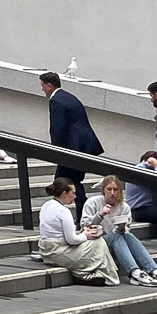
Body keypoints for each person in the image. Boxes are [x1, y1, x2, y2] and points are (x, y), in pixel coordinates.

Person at [84, 173, 157, 285]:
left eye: (115, 190)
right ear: (103, 190)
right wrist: (100, 215)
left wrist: (122, 228)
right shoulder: (92, 202)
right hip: (95, 241)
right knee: (116, 237)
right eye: (109, 189)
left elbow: (125, 230)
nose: (112, 193)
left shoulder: (124, 207)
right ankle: (134, 272)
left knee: (127, 235)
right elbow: (84, 226)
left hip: (116, 240)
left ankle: (154, 270)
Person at [41, 70, 102, 212]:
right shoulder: (68, 97)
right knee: (69, 181)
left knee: (65, 182)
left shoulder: (56, 100)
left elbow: (58, 128)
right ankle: (79, 213)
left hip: (73, 148)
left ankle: (78, 213)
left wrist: (57, 151)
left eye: (43, 86)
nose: (42, 89)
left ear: (49, 86)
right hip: (83, 146)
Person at [38, 176, 118, 285]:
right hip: (58, 251)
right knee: (99, 242)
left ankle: (97, 273)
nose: (75, 196)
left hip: (46, 249)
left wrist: (83, 234)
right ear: (64, 194)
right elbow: (72, 240)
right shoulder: (63, 211)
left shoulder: (46, 205)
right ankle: (100, 274)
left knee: (95, 241)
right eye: (73, 193)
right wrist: (85, 235)